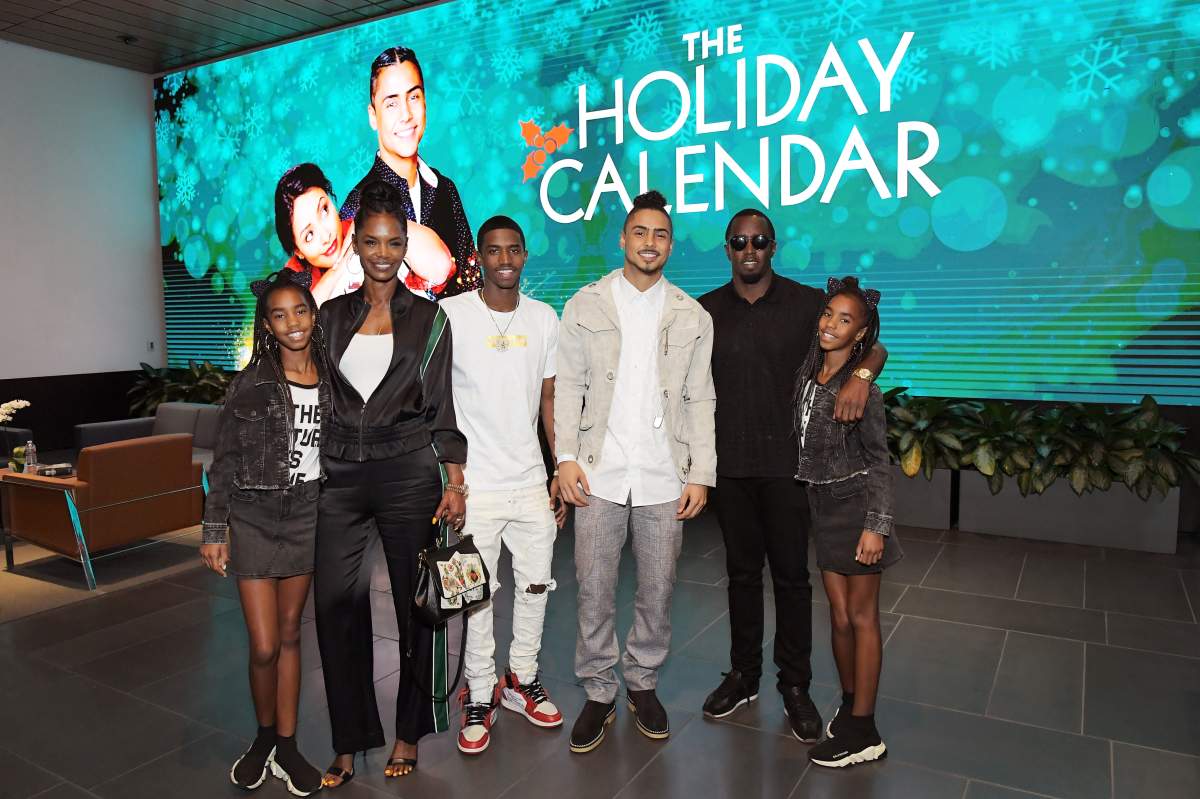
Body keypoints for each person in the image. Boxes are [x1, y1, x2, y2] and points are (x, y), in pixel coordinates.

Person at [697, 209, 888, 743]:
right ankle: (744, 675)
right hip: (729, 469)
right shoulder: (704, 310)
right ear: (728, 248)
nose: (749, 249)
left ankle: (796, 685)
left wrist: (862, 377)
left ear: (773, 246)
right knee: (739, 578)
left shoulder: (808, 305)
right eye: (739, 241)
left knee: (792, 580)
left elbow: (871, 340)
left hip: (791, 473)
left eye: (758, 240)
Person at [313, 180, 468, 787]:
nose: (382, 252)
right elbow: (315, 400)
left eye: (393, 241)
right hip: (340, 476)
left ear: (406, 245)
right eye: (371, 241)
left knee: (419, 607)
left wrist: (454, 482)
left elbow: (443, 410)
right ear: (355, 243)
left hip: (408, 473)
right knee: (336, 610)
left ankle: (409, 733)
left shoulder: (430, 318)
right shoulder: (328, 317)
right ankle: (349, 741)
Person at [555, 190, 717, 754]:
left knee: (658, 589)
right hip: (598, 473)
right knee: (594, 589)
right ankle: (599, 690)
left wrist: (701, 474)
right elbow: (569, 386)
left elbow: (700, 399)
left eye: (661, 235)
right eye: (640, 233)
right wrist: (566, 457)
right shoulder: (586, 305)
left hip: (663, 476)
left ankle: (642, 682)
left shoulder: (692, 316)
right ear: (623, 239)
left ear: (670, 245)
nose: (650, 242)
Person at [439, 215, 568, 755]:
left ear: (524, 254)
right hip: (475, 488)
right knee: (477, 596)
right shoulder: (449, 315)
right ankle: (480, 688)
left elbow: (549, 400)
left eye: (514, 250)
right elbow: (435, 402)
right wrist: (450, 477)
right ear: (479, 257)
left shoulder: (543, 318)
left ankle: (521, 676)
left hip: (531, 482)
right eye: (494, 251)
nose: (505, 260)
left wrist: (560, 467)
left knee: (536, 585)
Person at [199, 268, 328, 796]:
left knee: (293, 634)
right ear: (267, 326)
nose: (292, 323)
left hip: (308, 515)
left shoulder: (332, 378)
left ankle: (289, 746)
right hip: (253, 517)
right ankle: (263, 739)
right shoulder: (249, 386)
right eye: (279, 315)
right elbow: (224, 461)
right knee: (264, 644)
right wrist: (214, 528)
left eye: (300, 311)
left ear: (313, 315)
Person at [796, 276, 902, 769]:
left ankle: (864, 729)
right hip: (823, 506)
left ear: (860, 334)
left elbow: (880, 461)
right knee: (838, 617)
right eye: (828, 314)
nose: (831, 325)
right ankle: (851, 705)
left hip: (856, 508)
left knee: (862, 619)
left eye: (845, 320)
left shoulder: (866, 392)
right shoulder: (808, 370)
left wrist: (876, 525)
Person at [339, 46, 482, 299]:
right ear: (373, 116)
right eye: (391, 103)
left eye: (413, 97)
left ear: (425, 101)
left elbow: (473, 285)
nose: (406, 114)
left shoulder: (445, 189)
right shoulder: (358, 204)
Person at [274, 162, 452, 305]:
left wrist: (381, 221)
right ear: (298, 251)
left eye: (324, 210)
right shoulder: (292, 278)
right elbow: (300, 328)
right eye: (309, 235)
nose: (326, 236)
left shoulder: (363, 224)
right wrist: (341, 265)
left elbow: (440, 267)